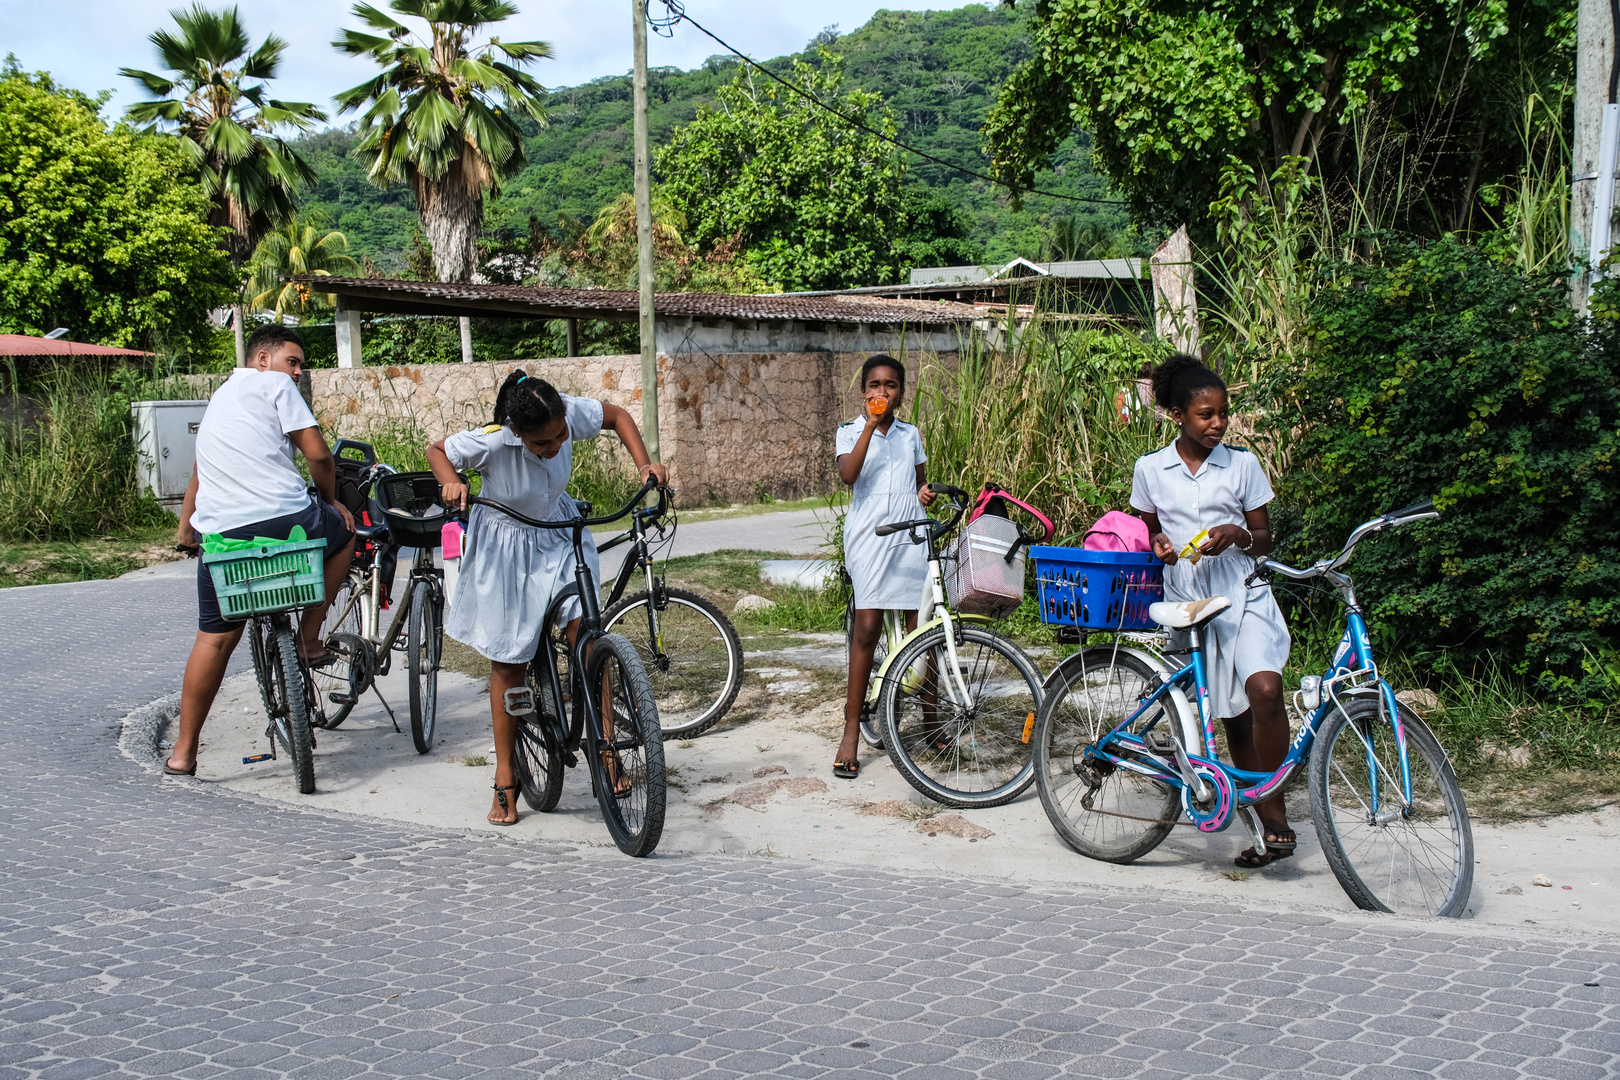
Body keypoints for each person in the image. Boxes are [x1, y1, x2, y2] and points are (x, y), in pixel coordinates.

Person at [427, 371, 668, 826]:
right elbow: (437, 450)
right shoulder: (495, 441)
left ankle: (607, 749)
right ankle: (504, 777)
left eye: (561, 436)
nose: (556, 445)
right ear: (518, 432)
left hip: (558, 534)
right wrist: (451, 481)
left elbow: (617, 417)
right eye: (543, 444)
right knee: (509, 661)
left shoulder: (565, 414)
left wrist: (645, 464)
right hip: (507, 544)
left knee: (590, 639)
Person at [166, 326, 356, 777]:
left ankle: (183, 753)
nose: (297, 372)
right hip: (283, 517)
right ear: (263, 359)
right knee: (344, 536)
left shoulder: (220, 398)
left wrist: (186, 528)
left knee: (214, 639)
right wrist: (331, 502)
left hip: (222, 531)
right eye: (293, 361)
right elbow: (320, 458)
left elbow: (201, 469)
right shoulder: (274, 385)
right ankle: (309, 639)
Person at [1130, 353, 1293, 868]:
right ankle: (1266, 823)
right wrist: (1159, 544)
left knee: (1265, 692)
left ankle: (1279, 812)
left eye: (1223, 413)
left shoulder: (1242, 464)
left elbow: (1264, 538)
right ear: (1177, 415)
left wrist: (1239, 535)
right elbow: (1150, 527)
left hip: (1243, 588)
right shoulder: (1151, 470)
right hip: (1191, 598)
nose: (1218, 423)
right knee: (1234, 717)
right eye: (1206, 415)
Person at [834, 355, 936, 779]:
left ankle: (934, 722)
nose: (881, 392)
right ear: (863, 391)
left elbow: (919, 481)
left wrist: (924, 493)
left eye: (890, 386)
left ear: (900, 392)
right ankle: (851, 731)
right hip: (870, 536)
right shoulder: (849, 431)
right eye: (873, 385)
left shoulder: (911, 434)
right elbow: (848, 475)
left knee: (924, 629)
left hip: (910, 534)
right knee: (868, 627)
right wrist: (872, 428)